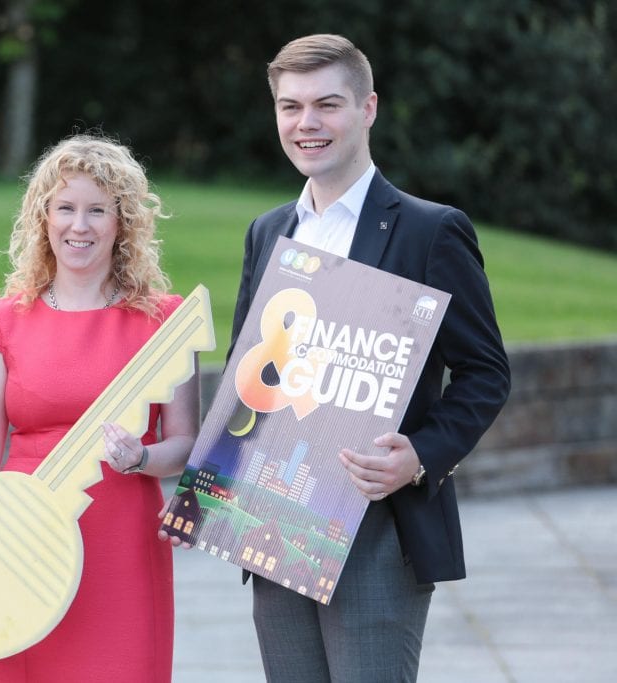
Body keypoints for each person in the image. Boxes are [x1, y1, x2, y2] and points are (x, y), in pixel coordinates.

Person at [232, 34, 511, 681]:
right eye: (290, 106)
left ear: (368, 108)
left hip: (378, 528)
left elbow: (485, 371)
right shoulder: (269, 231)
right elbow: (251, 373)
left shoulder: (430, 230)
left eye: (327, 104)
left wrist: (421, 456)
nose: (307, 123)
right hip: (277, 520)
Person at [0, 134, 200, 682]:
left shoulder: (163, 319)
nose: (78, 226)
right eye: (65, 208)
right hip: (15, 540)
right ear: (43, 217)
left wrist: (142, 457)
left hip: (120, 546)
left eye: (96, 210)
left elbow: (185, 445)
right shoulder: (3, 319)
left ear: (122, 222)